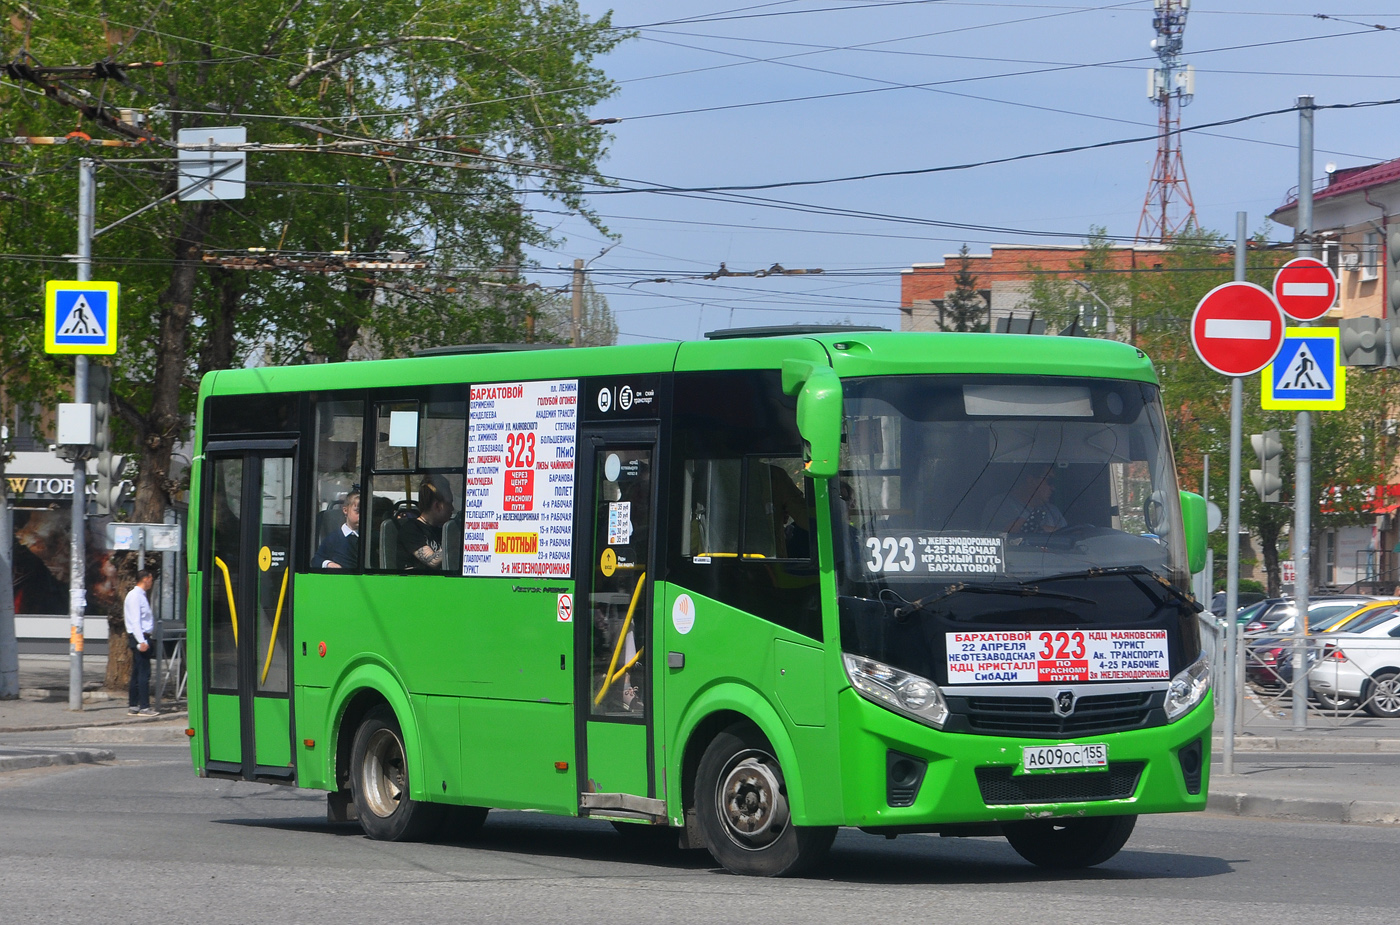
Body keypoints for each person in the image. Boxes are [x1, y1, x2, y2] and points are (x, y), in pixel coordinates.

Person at [983, 464, 1066, 535]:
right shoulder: (999, 504)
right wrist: (1051, 532)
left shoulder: (1053, 511)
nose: (1053, 488)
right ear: (1031, 480)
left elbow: (1068, 537)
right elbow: (1014, 532)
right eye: (1049, 481)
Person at [397, 475, 455, 572]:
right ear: (437, 505)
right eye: (449, 504)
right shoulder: (410, 529)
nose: (452, 509)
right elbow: (432, 561)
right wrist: (456, 540)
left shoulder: (440, 529)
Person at [124, 569, 158, 716]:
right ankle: (144, 706)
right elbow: (135, 621)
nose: (151, 582)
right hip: (140, 637)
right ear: (146, 579)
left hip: (141, 636)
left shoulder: (140, 596)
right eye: (151, 579)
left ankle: (134, 705)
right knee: (144, 672)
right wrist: (142, 641)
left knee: (137, 671)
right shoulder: (135, 596)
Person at [314, 490, 360, 569]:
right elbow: (316, 560)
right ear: (345, 510)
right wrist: (329, 564)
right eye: (357, 511)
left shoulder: (371, 538)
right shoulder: (333, 538)